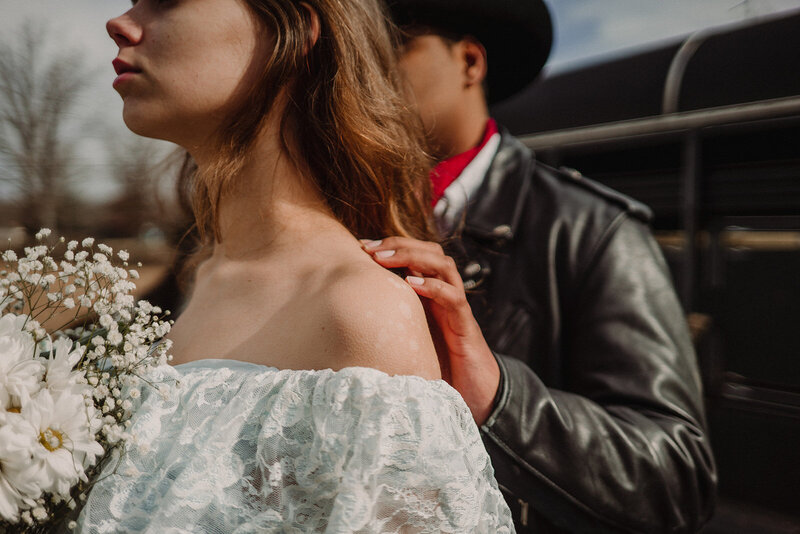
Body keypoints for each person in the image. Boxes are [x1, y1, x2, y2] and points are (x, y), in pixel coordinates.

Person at [74, 0, 515, 531]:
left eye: (167, 0)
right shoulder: (191, 282)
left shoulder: (360, 312)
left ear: (295, 29)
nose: (119, 23)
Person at [359, 1, 718, 532]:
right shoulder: (342, 213)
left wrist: (500, 399)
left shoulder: (592, 228)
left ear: (470, 63)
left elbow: (675, 474)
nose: (366, 74)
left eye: (394, 47)